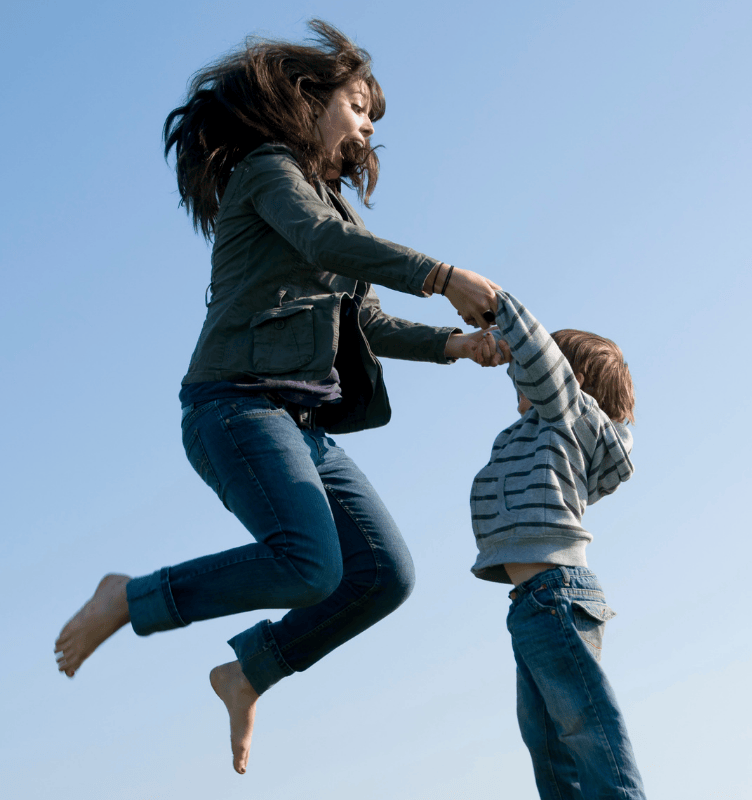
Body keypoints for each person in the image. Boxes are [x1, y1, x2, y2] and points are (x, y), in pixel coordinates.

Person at [54, 20, 506, 775]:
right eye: (358, 105)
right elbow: (322, 244)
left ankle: (250, 670)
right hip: (233, 404)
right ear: (309, 101)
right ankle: (130, 598)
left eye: (373, 116)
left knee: (384, 574)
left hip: (301, 424)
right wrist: (441, 275)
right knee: (310, 566)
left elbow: (363, 321)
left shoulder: (338, 210)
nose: (369, 124)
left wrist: (455, 345)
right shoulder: (268, 172)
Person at [471, 291, 647, 798]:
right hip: (535, 601)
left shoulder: (568, 415)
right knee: (547, 742)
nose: (518, 376)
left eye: (530, 369)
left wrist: (495, 308)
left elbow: (541, 362)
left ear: (573, 382)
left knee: (586, 725)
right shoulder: (552, 434)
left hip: (555, 594)